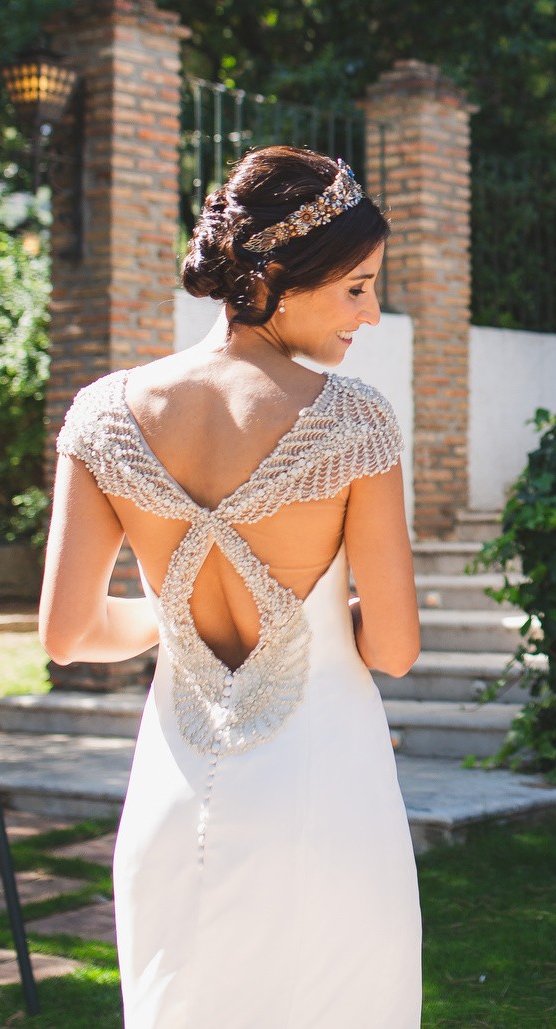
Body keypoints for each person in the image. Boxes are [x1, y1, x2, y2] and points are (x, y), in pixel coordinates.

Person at [39, 146, 422, 1027]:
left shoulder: (105, 412)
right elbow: (395, 647)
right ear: (283, 278)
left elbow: (70, 634)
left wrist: (170, 616)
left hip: (174, 794)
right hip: (325, 790)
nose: (371, 311)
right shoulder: (352, 418)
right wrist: (321, 619)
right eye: (357, 287)